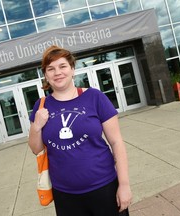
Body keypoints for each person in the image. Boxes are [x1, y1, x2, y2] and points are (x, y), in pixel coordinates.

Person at [28, 45, 132, 216]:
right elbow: (35, 148)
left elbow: (116, 142)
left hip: (104, 187)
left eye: (63, 66)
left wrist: (124, 185)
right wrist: (37, 125)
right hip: (65, 195)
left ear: (72, 69)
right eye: (51, 69)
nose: (57, 72)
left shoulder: (94, 97)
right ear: (46, 75)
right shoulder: (41, 106)